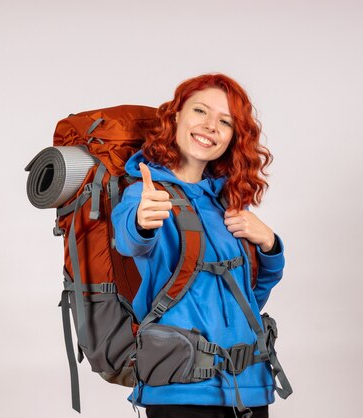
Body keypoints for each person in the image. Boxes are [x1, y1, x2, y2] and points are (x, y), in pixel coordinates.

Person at [111, 74, 285, 418]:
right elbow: (129, 239)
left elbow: (252, 296)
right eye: (200, 111)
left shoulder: (229, 202)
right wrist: (141, 221)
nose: (210, 126)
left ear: (234, 136)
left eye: (225, 121)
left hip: (250, 385)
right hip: (181, 388)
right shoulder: (145, 194)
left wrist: (269, 244)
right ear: (175, 116)